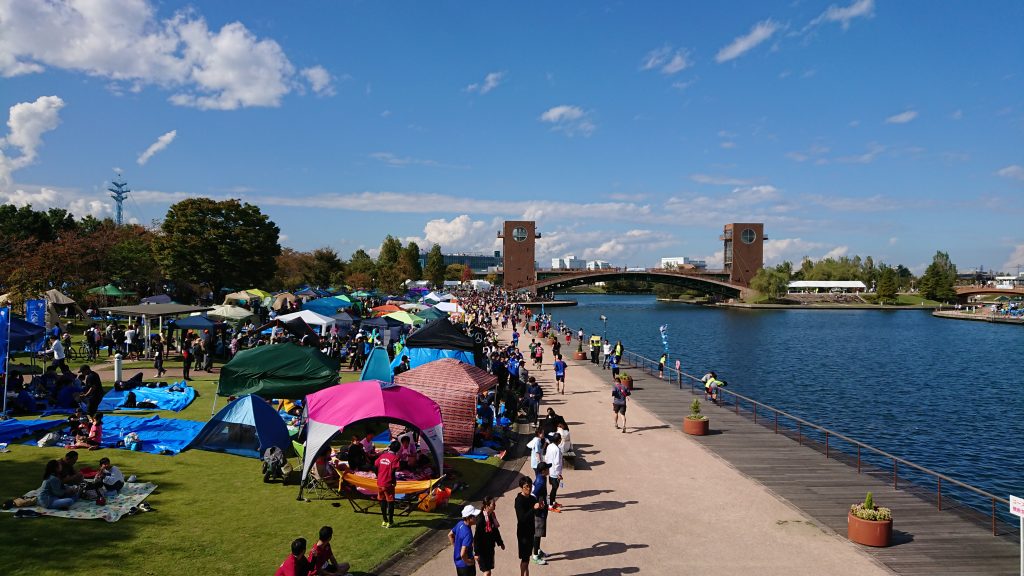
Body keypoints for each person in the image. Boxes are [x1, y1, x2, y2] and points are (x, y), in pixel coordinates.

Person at [514, 477, 541, 574]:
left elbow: (536, 512)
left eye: (530, 486)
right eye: (526, 486)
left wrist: (540, 507)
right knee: (525, 559)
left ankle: (526, 574)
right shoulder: (519, 501)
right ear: (521, 487)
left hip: (530, 531)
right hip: (523, 534)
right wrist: (534, 509)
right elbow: (522, 518)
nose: (529, 489)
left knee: (527, 557)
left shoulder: (532, 498)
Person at [474, 496, 504, 576]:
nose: (495, 506)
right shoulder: (481, 520)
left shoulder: (491, 516)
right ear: (487, 506)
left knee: (488, 571)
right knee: (486, 572)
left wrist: (500, 542)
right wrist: (476, 553)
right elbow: (477, 537)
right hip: (482, 550)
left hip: (490, 547)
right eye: (493, 504)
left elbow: (495, 530)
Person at [375, 441, 401, 528]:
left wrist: (377, 476)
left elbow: (375, 465)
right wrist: (393, 481)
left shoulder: (382, 455)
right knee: (390, 502)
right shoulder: (395, 458)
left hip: (380, 482)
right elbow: (393, 471)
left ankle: (384, 520)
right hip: (388, 483)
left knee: (382, 501)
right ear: (398, 449)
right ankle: (390, 521)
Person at [449, 504, 479, 576]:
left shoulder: (460, 524)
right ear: (469, 518)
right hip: (466, 567)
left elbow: (450, 535)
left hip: (458, 564)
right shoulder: (467, 533)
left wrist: (456, 547)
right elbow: (463, 554)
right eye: (474, 516)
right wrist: (468, 562)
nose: (476, 518)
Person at [530, 463, 550, 564]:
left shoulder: (541, 477)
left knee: (539, 532)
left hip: (542, 508)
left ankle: (537, 550)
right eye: (547, 469)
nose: (549, 470)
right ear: (543, 471)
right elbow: (533, 494)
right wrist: (535, 505)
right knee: (538, 532)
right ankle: (535, 556)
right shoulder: (541, 482)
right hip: (539, 512)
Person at [543, 434, 564, 509]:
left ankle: (553, 501)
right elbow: (557, 463)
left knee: (554, 487)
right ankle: (551, 505)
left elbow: (546, 457)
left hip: (550, 470)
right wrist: (559, 474)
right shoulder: (557, 450)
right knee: (554, 488)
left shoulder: (550, 446)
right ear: (559, 440)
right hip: (555, 473)